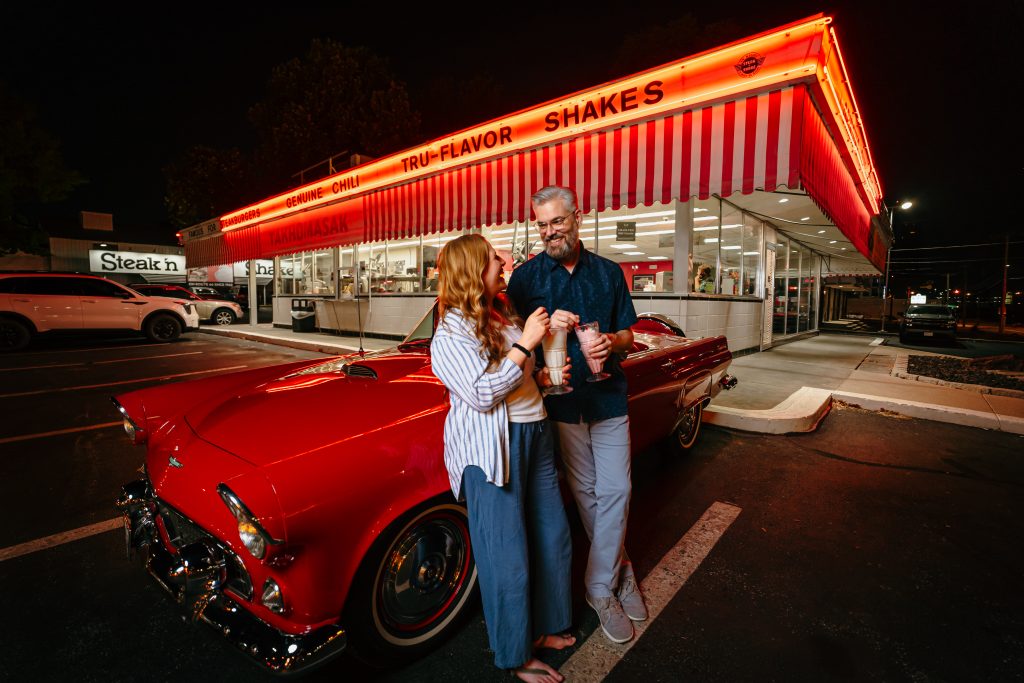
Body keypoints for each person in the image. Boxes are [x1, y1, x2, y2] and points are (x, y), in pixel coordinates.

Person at [429, 233, 576, 683]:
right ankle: (514, 654)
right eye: (493, 257)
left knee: (552, 535)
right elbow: (479, 393)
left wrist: (547, 375)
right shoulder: (449, 330)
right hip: (493, 449)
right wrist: (526, 343)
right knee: (505, 556)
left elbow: (520, 378)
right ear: (474, 269)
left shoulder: (501, 314)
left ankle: (546, 627)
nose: (501, 261)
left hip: (535, 432)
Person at [506, 185, 647, 645]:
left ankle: (597, 589)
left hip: (607, 399)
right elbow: (511, 348)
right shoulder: (524, 281)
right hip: (560, 404)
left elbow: (629, 332)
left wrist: (613, 341)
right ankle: (619, 571)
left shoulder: (608, 273)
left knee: (618, 490)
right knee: (587, 496)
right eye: (541, 224)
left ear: (577, 217)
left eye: (557, 222)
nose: (549, 232)